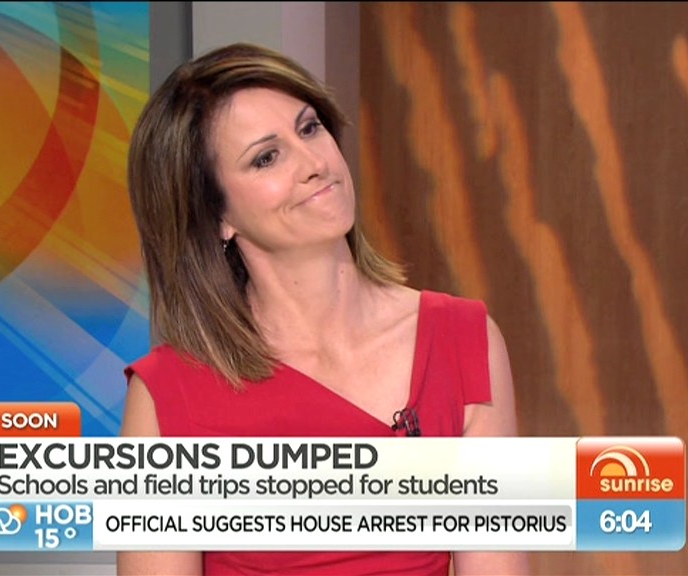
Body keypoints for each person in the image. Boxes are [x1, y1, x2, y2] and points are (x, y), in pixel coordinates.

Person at [118, 42, 529, 576]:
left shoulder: (462, 342)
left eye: (309, 128)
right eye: (267, 157)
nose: (315, 164)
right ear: (217, 216)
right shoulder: (169, 394)